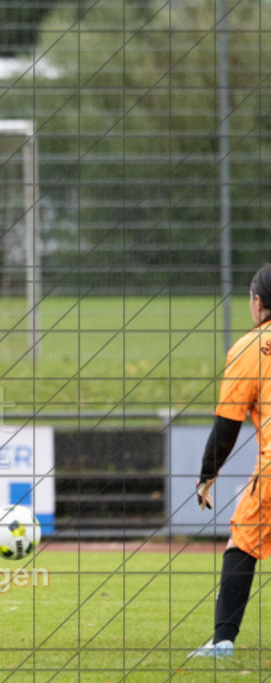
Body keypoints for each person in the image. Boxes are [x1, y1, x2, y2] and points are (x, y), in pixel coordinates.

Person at [190, 264, 271, 658]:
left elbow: (227, 425)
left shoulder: (250, 348)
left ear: (257, 302)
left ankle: (222, 641)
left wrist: (207, 476)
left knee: (243, 541)